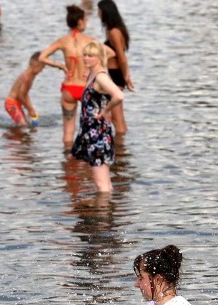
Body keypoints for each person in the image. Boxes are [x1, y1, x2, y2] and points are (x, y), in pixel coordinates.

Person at [39, 5, 100, 146]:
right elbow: (107, 55)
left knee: (68, 130)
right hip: (86, 87)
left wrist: (59, 65)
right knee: (91, 128)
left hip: (69, 87)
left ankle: (68, 160)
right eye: (85, 20)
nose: (86, 23)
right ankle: (88, 161)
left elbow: (42, 57)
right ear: (79, 22)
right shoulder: (90, 40)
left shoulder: (63, 41)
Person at [69, 41, 124, 193]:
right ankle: (109, 213)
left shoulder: (100, 76)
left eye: (90, 55)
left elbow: (118, 95)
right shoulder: (94, 74)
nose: (86, 58)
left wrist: (106, 110)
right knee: (104, 181)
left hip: (98, 133)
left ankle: (102, 215)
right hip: (92, 132)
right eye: (85, 55)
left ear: (99, 57)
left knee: (101, 184)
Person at [98, 0, 134, 134]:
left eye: (100, 11)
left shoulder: (114, 32)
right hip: (113, 74)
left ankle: (120, 151)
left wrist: (126, 77)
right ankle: (120, 149)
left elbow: (121, 57)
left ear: (106, 12)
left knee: (117, 119)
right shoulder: (113, 30)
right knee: (115, 117)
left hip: (115, 75)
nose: (98, 14)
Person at [5, 52, 45, 127]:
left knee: (26, 124)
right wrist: (29, 109)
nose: (41, 70)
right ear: (36, 64)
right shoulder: (26, 77)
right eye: (41, 67)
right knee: (23, 124)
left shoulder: (32, 76)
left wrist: (31, 108)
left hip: (18, 103)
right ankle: (12, 136)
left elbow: (25, 94)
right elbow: (20, 95)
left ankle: (17, 135)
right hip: (11, 103)